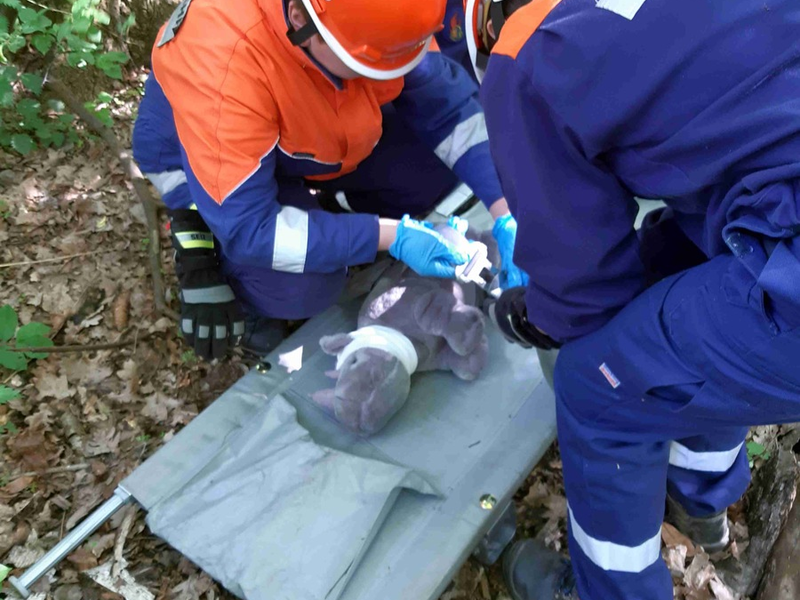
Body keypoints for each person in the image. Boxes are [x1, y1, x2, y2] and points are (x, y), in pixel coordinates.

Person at [465, 0, 800, 599]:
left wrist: (542, 312)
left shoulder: (524, 47)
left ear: (484, 25)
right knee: (683, 268)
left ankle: (610, 589)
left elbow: (585, 292)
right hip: (779, 195)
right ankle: (704, 510)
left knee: (595, 387)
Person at [132, 0, 528, 360]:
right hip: (209, 165)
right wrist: (393, 236)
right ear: (300, 20)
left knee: (426, 172)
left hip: (300, 135)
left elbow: (448, 108)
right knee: (303, 286)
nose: (384, 74)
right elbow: (254, 229)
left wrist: (508, 210)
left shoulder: (370, 18)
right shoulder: (226, 63)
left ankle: (327, 220)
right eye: (368, 63)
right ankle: (218, 256)